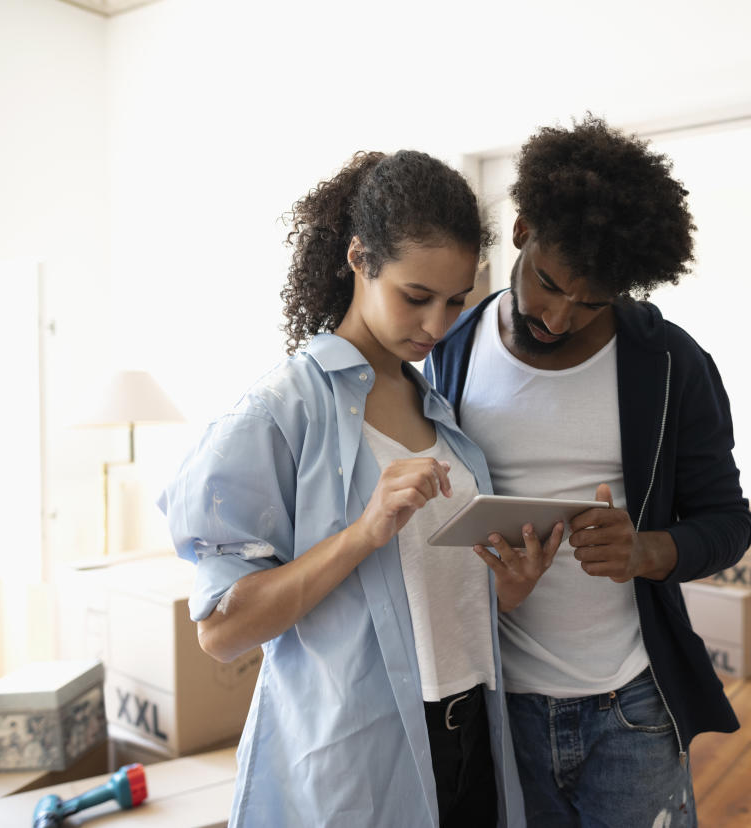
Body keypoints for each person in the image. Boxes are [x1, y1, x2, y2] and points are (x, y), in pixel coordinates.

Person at [159, 150, 560, 826]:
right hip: (358, 762)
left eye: (456, 301)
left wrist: (508, 587)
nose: (437, 327)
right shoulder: (279, 411)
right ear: (360, 259)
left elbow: (421, 609)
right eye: (415, 296)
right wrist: (363, 533)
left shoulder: (441, 412)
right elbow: (221, 632)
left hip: (474, 737)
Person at [426, 116, 751, 826]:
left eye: (594, 300)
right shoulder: (447, 351)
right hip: (495, 704)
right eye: (550, 283)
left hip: (630, 708)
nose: (561, 316)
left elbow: (730, 525)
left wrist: (649, 549)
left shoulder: (669, 365)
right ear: (520, 231)